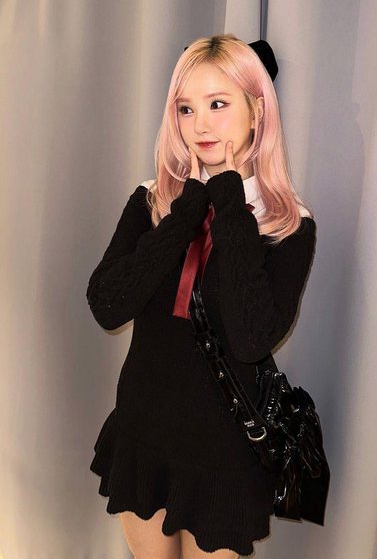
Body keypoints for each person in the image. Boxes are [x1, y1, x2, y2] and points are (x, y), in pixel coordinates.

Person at [86, 34, 317, 558]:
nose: (201, 125)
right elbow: (107, 305)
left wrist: (229, 198)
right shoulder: (152, 200)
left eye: (218, 104)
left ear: (257, 110)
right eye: (186, 108)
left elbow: (251, 337)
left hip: (222, 452)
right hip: (144, 429)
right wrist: (185, 211)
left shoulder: (287, 224)